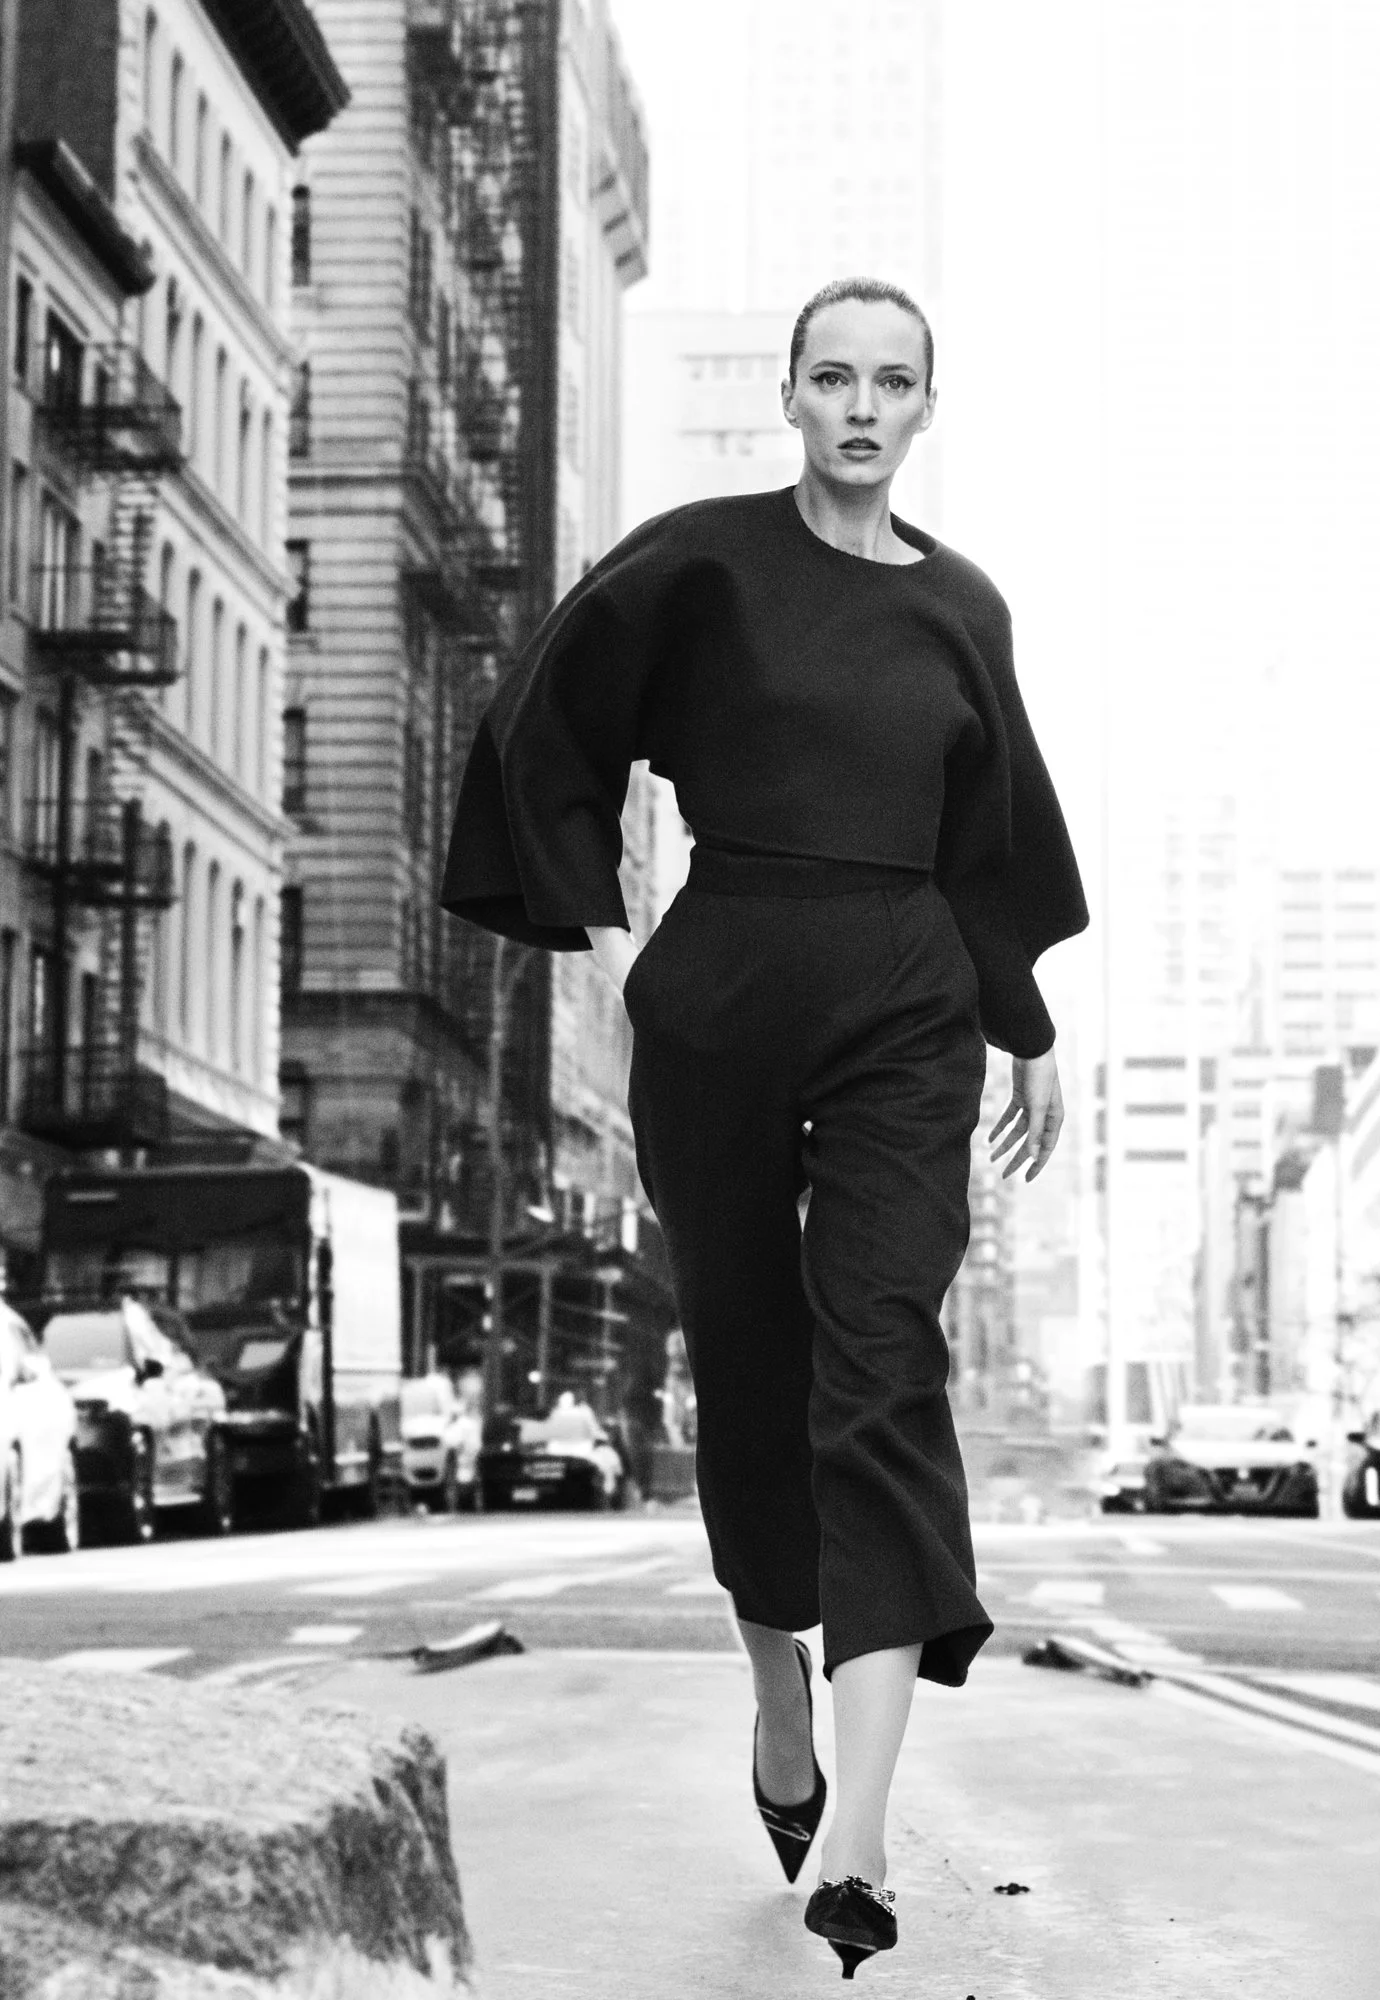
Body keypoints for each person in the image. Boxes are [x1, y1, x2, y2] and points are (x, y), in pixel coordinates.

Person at [440, 275, 1088, 1980]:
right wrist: (610, 943)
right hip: (719, 986)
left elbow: (987, 837)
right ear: (791, 398)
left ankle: (856, 1850)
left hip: (904, 999)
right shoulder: (703, 560)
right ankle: (771, 1687)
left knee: (882, 1361)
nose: (861, 406)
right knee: (745, 1356)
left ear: (925, 408)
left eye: (893, 382)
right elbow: (545, 720)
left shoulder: (964, 608)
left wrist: (1020, 1022)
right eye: (832, 378)